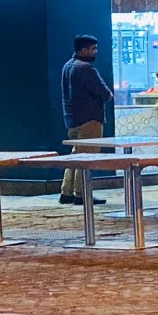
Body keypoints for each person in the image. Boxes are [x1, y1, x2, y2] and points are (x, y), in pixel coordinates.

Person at [60, 34, 112, 206]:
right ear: (83, 50)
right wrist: (108, 95)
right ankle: (81, 194)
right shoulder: (86, 68)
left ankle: (66, 192)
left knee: (75, 156)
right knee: (87, 157)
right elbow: (104, 92)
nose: (95, 51)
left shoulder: (68, 66)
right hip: (90, 119)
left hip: (72, 120)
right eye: (92, 48)